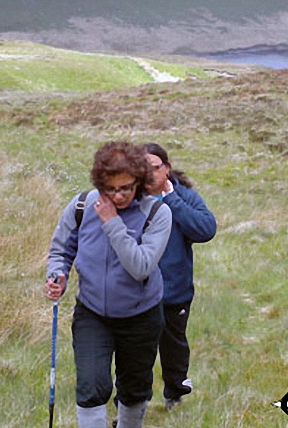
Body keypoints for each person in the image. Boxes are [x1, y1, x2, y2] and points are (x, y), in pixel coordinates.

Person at [45, 141, 172, 428]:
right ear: (100, 182)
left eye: (126, 187)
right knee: (91, 386)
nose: (119, 195)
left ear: (139, 181)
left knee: (134, 388)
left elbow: (140, 267)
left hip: (141, 316)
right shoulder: (81, 206)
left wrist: (112, 223)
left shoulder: (156, 214)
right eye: (111, 189)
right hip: (92, 314)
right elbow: (60, 252)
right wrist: (57, 275)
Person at [143, 142, 217, 411]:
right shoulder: (128, 199)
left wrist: (172, 200)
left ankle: (174, 391)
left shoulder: (184, 197)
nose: (149, 173)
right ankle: (130, 403)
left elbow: (206, 229)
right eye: (143, 168)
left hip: (175, 292)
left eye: (155, 167)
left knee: (174, 347)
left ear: (167, 168)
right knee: (137, 352)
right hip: (136, 294)